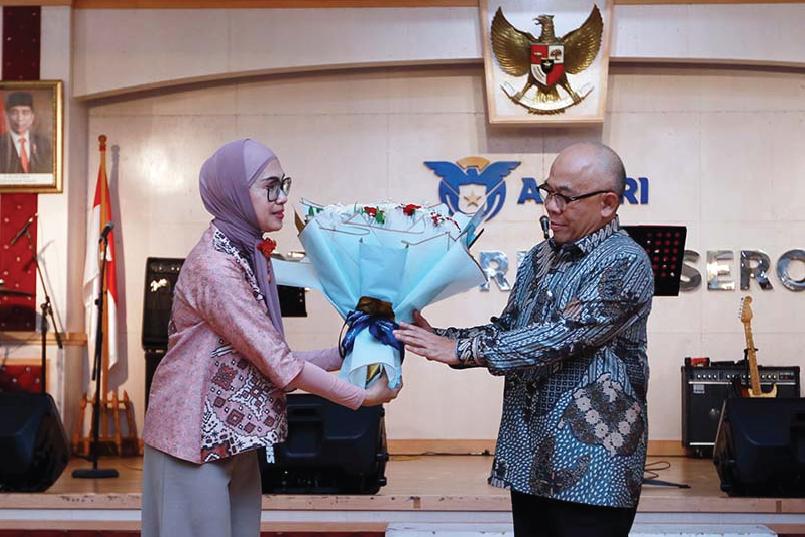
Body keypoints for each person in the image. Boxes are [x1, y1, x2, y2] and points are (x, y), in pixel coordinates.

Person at [141, 139, 400, 537]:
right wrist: (361, 397)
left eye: (284, 185)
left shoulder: (245, 253)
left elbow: (269, 356)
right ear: (233, 192)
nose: (282, 198)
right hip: (193, 440)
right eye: (270, 187)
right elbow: (281, 366)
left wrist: (349, 349)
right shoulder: (216, 266)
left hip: (233, 437)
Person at [395, 142, 654, 537]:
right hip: (530, 455)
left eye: (565, 197)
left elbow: (563, 336)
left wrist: (461, 350)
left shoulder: (625, 260)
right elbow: (511, 330)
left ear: (607, 204)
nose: (551, 207)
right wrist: (438, 337)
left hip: (593, 462)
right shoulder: (539, 256)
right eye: (548, 192)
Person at [0, 92, 52, 173]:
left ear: (32, 117)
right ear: (7, 116)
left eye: (25, 113)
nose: (20, 118)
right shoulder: (1, 142)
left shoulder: (44, 144)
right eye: (14, 113)